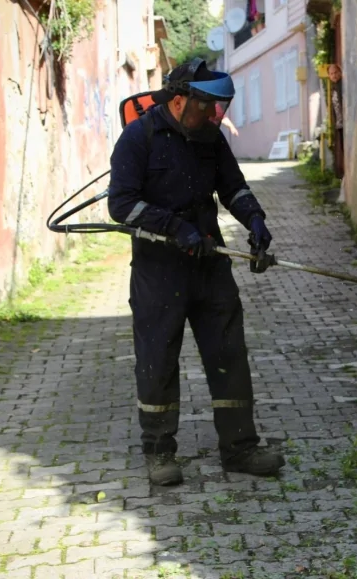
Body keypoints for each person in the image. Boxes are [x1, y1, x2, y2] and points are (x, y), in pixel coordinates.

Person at [107, 58, 285, 486]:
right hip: (159, 271)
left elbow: (233, 187)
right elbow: (121, 205)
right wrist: (174, 227)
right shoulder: (139, 138)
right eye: (207, 107)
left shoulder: (211, 138)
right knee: (157, 360)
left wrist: (254, 219)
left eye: (218, 109)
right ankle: (159, 453)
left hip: (210, 264)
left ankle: (240, 448)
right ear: (181, 99)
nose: (214, 116)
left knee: (229, 355)